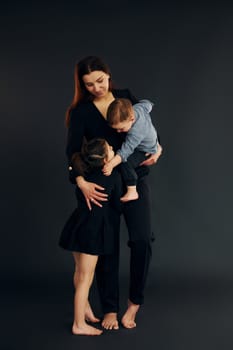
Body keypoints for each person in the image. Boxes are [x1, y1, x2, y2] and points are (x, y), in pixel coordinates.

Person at [65, 55, 162, 330]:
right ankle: (109, 308)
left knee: (142, 240)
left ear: (108, 75)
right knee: (107, 248)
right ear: (83, 86)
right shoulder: (81, 112)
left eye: (100, 80)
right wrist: (80, 181)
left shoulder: (125, 96)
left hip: (134, 179)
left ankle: (134, 303)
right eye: (89, 85)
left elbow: (145, 124)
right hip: (102, 185)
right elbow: (72, 152)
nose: (97, 87)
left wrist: (159, 147)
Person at [59, 138, 122, 335]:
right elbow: (118, 205)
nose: (113, 148)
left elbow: (74, 170)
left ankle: (84, 310)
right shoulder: (112, 177)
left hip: (77, 225)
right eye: (110, 149)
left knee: (79, 273)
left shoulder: (83, 175)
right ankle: (79, 324)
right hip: (92, 231)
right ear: (104, 160)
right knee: (86, 277)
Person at [103, 98, 160, 202]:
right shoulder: (138, 108)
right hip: (151, 139)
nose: (118, 131)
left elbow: (125, 152)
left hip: (145, 149)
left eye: (121, 128)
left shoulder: (136, 132)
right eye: (116, 129)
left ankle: (132, 190)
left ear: (132, 119)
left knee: (125, 163)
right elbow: (148, 104)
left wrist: (111, 165)